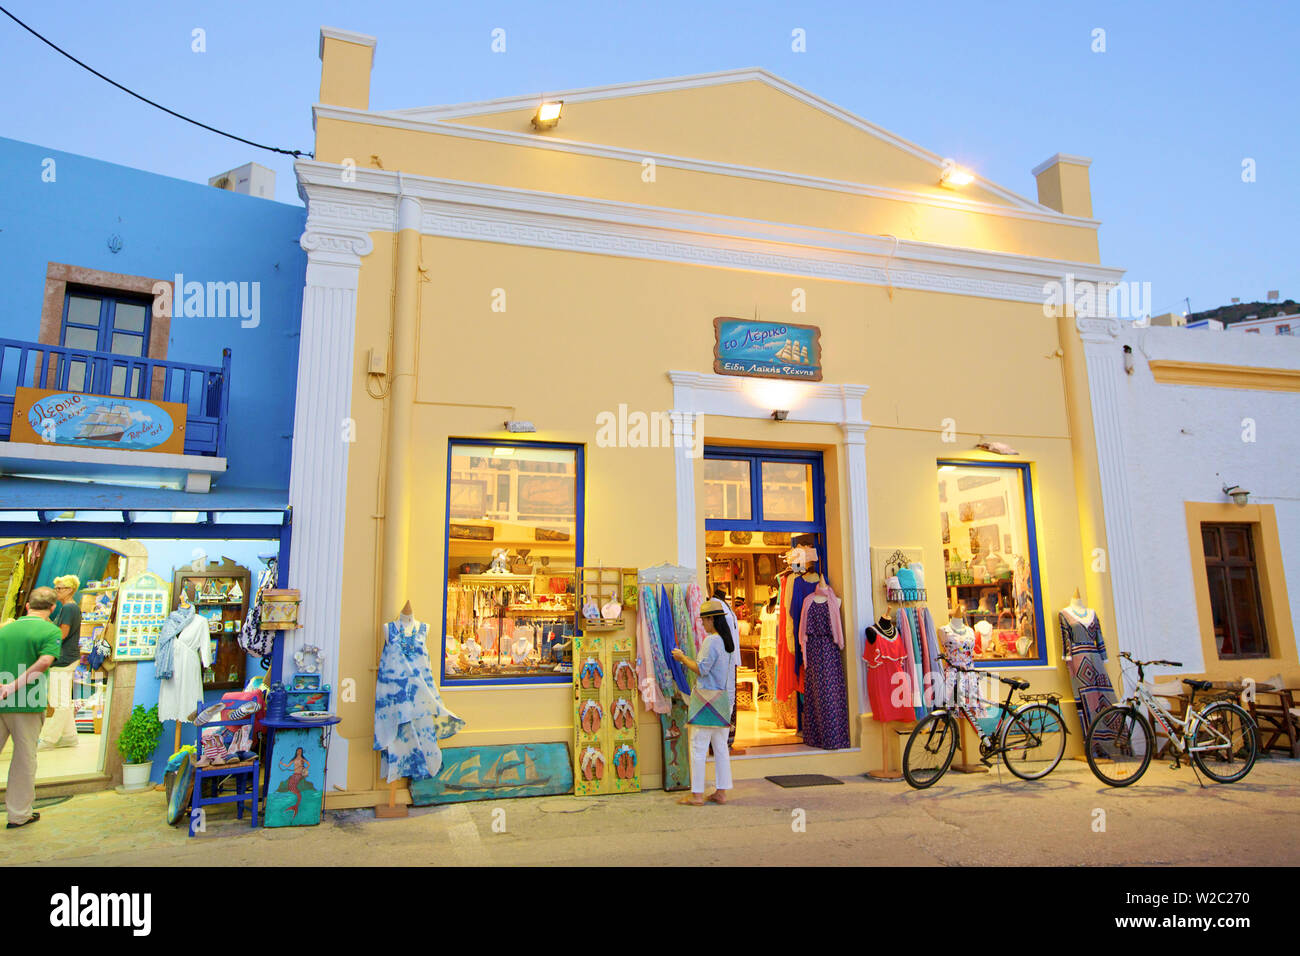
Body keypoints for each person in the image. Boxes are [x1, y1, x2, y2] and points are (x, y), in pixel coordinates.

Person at [0, 587, 62, 828]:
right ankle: (18, 814)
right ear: (53, 608)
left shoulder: (6, 629)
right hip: (27, 702)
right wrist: (13, 686)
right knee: (24, 760)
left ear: (27, 605)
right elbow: (45, 661)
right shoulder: (50, 630)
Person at [671, 598, 735, 806]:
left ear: (711, 620)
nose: (702, 624)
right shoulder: (727, 642)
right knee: (721, 748)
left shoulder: (712, 641)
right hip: (722, 701)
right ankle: (721, 792)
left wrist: (682, 658)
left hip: (706, 701)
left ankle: (697, 794)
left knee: (698, 747)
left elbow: (701, 669)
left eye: (704, 620)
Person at [39, 575, 82, 750]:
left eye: (60, 588)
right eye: (56, 588)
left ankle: (50, 738)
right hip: (67, 658)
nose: (57, 591)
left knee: (59, 702)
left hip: (63, 659)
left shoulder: (69, 609)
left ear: (70, 589)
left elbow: (61, 634)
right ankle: (69, 736)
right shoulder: (69, 609)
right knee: (62, 699)